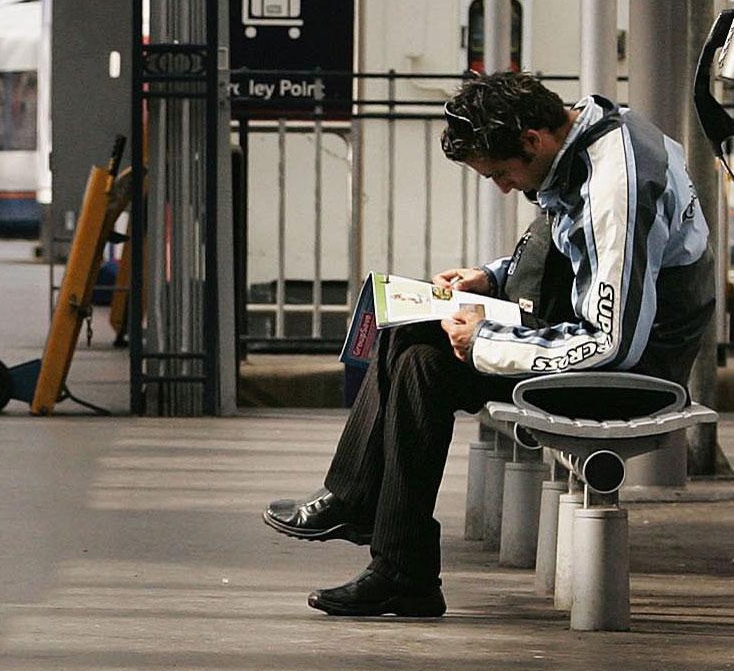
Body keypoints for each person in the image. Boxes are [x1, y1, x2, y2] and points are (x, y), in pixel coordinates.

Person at [263, 71, 715, 618]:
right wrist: (493, 277)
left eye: (502, 173)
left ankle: (396, 564)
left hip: (633, 370)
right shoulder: (586, 138)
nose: (503, 187)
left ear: (532, 139)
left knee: (427, 365)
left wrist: (484, 341)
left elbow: (611, 342)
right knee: (407, 325)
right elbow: (582, 259)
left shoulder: (615, 185)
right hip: (598, 337)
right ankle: (367, 518)